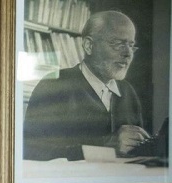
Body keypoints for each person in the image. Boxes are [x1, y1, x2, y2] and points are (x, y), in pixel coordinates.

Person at [23, 10, 150, 161]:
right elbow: (30, 151)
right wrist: (104, 147)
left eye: (131, 45)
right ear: (89, 46)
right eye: (118, 44)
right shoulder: (52, 85)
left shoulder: (128, 91)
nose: (128, 54)